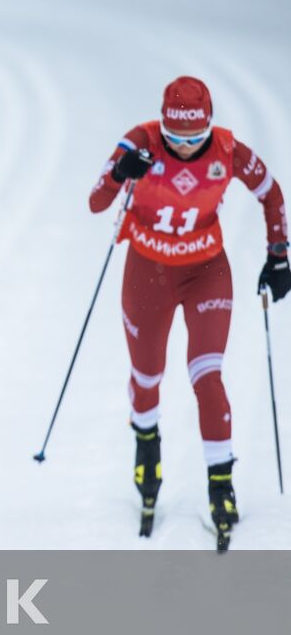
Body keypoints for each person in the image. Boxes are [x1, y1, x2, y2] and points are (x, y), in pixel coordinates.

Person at [89, 76, 287, 551]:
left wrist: (279, 254)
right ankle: (147, 449)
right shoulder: (139, 141)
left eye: (194, 138)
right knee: (147, 376)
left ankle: (221, 484)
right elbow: (96, 202)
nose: (183, 148)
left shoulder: (227, 150)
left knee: (207, 375)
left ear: (208, 127)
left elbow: (271, 192)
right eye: (174, 137)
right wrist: (120, 174)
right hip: (147, 275)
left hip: (206, 272)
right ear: (162, 125)